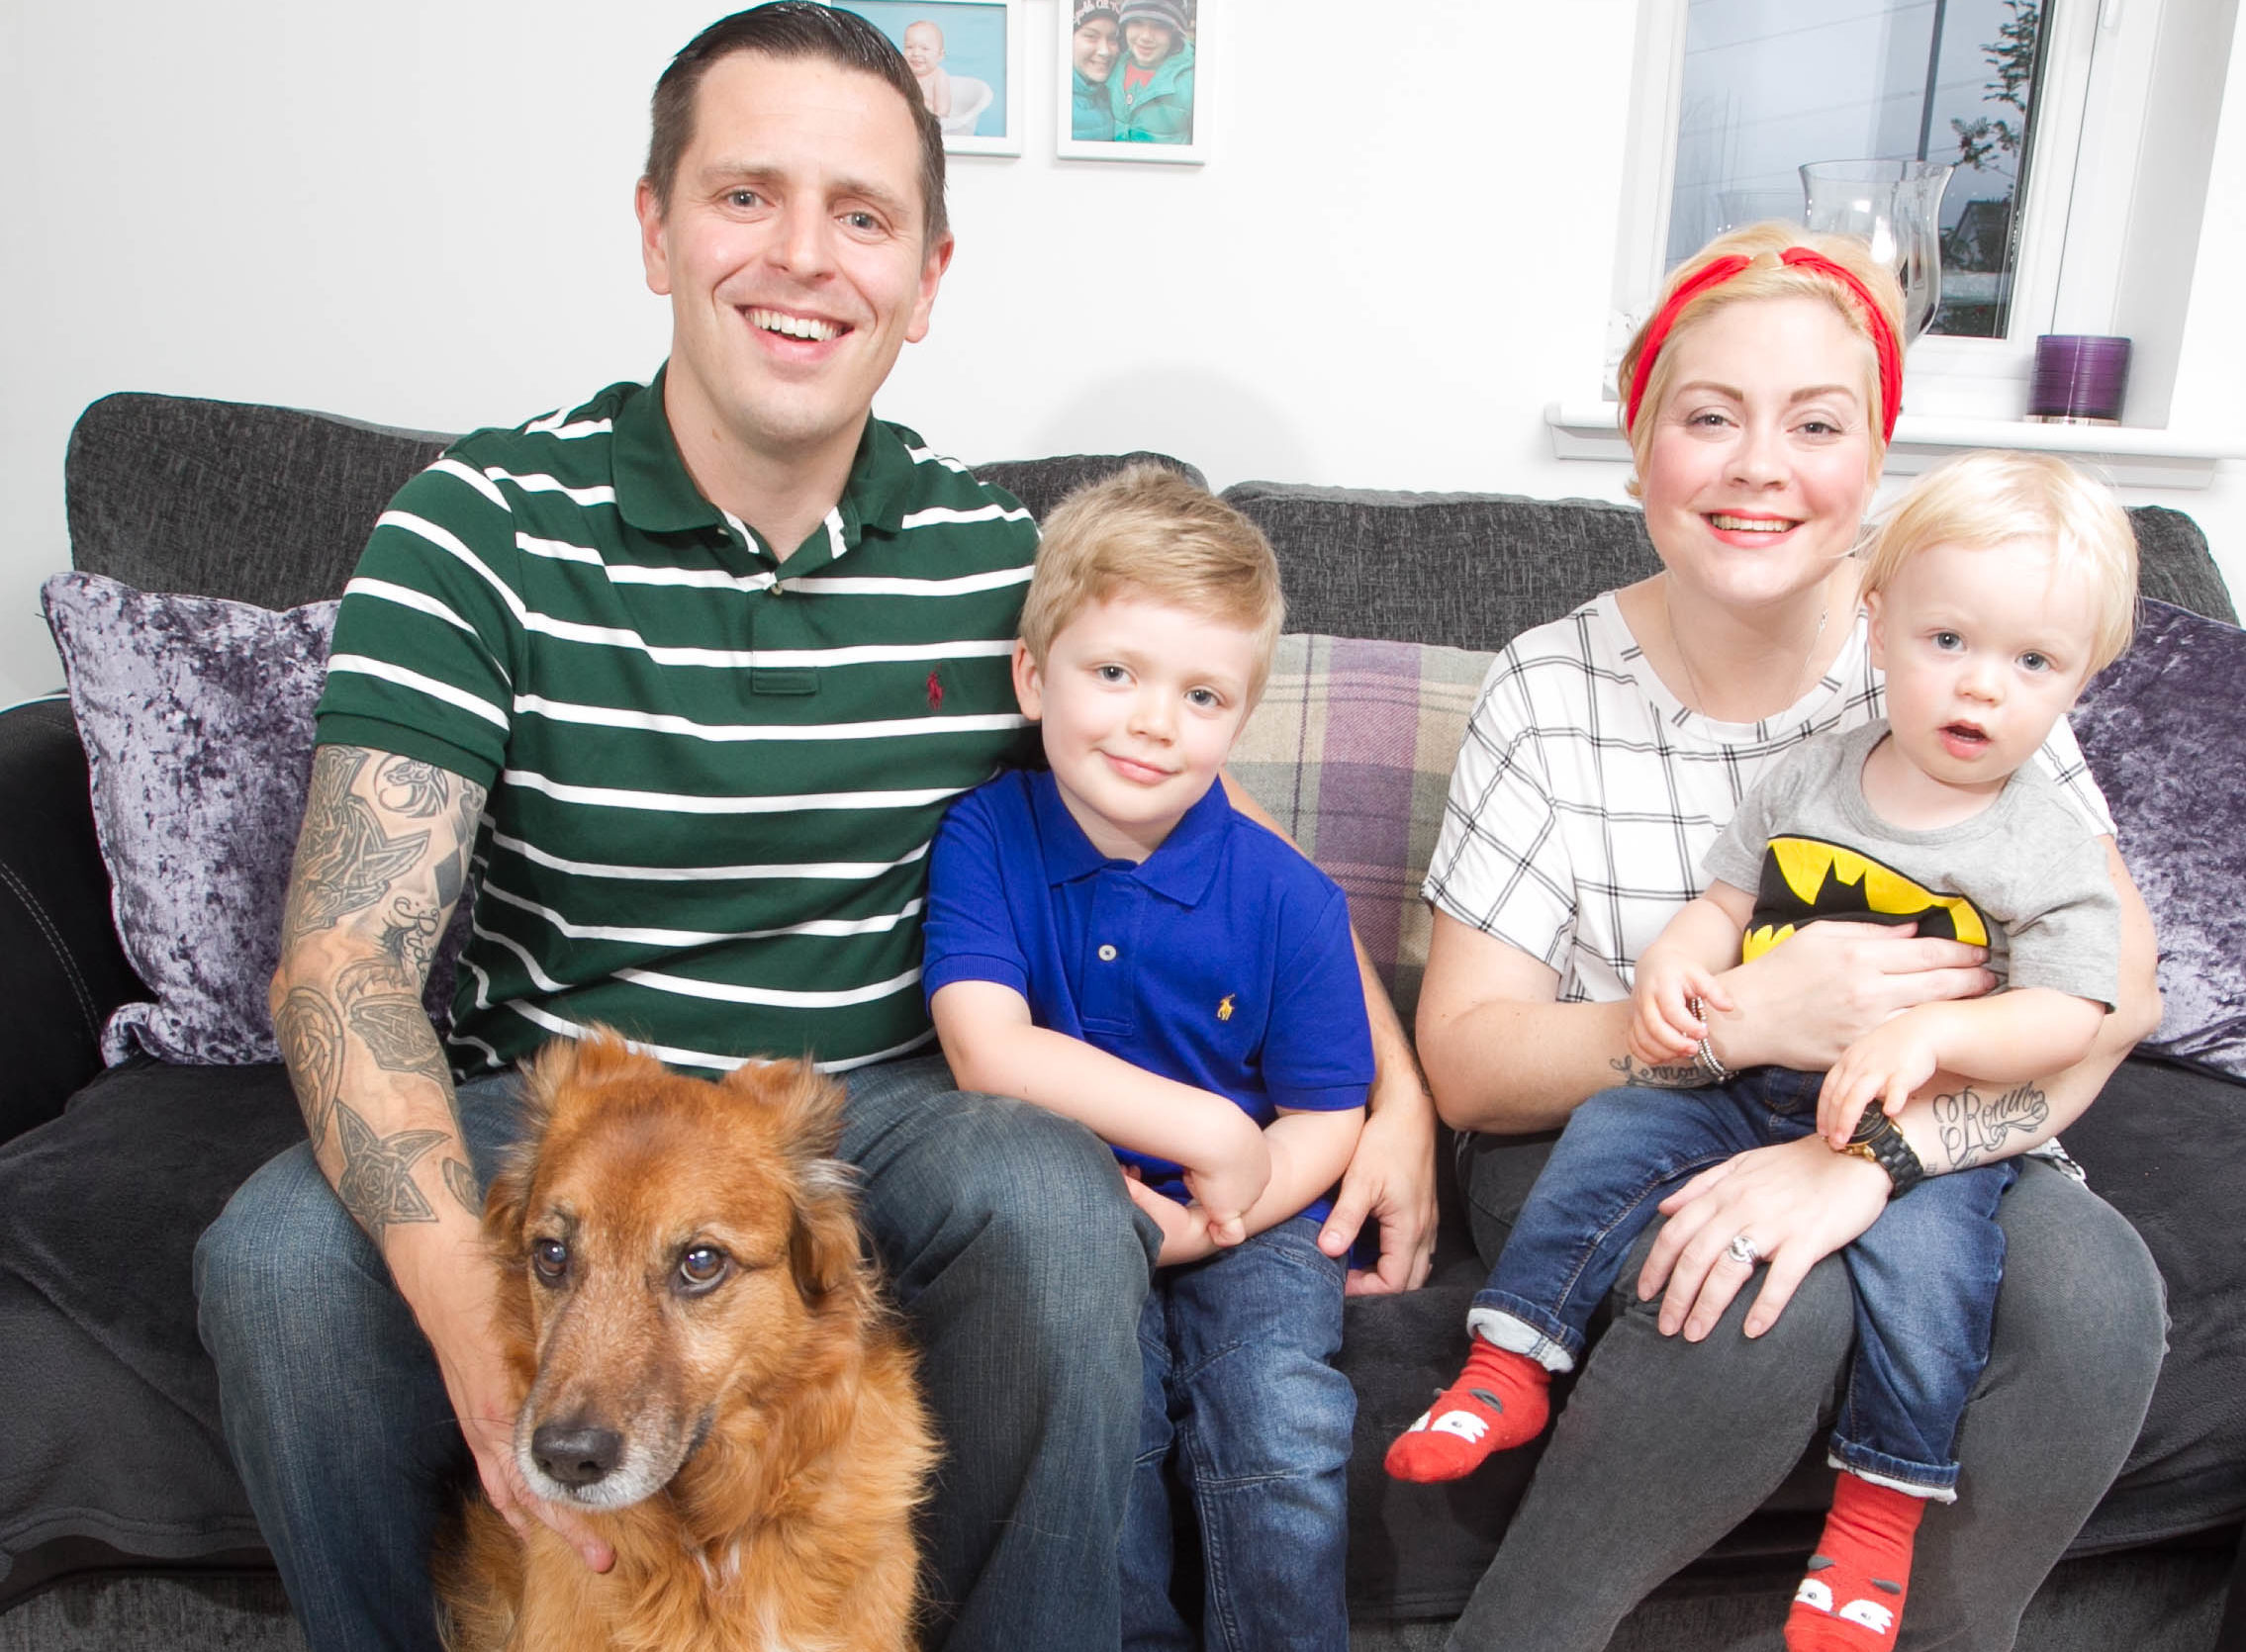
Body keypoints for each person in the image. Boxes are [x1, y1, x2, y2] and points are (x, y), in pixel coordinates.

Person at [189, 9, 1438, 1652]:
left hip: (876, 1105)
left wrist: (1397, 1095)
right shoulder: (474, 531)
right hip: (561, 1105)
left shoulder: (1001, 566)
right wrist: (483, 1330)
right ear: (654, 226)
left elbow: (1211, 824)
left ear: (925, 280)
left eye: (862, 214)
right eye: (745, 195)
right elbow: (344, 958)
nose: (804, 256)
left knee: (1063, 1214)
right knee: (275, 1261)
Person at [1412, 223, 2169, 1652]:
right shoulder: (1548, 683)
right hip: (1631, 1116)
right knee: (1762, 1302)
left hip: (1924, 1129)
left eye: (1814, 423)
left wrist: (1865, 1159)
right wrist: (1736, 1020)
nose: (1759, 464)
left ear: (1871, 466)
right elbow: (1465, 1060)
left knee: (2095, 1300)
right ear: (1639, 446)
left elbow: (2112, 997)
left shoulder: (1956, 656)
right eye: (1708, 416)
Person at [925, 466, 1367, 1650]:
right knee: (1093, 1429)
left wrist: (1230, 1199)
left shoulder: (1292, 900)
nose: (1151, 720)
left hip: (1252, 1213)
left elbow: (1329, 1114)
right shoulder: (984, 835)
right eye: (1113, 672)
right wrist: (1186, 1145)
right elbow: (984, 1046)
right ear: (1033, 674)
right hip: (1072, 1207)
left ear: (1239, 718)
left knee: (1281, 1421)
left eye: (1201, 693)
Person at [1109, 0, 1196, 145]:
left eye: (1159, 26)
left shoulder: (1191, 80)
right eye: (1137, 22)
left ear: (1174, 31)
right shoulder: (1115, 66)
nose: (1146, 37)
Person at [1069, 0, 1124, 139]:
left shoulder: (1115, 91)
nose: (1104, 51)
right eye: (1091, 37)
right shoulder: (1047, 100)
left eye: (1112, 38)